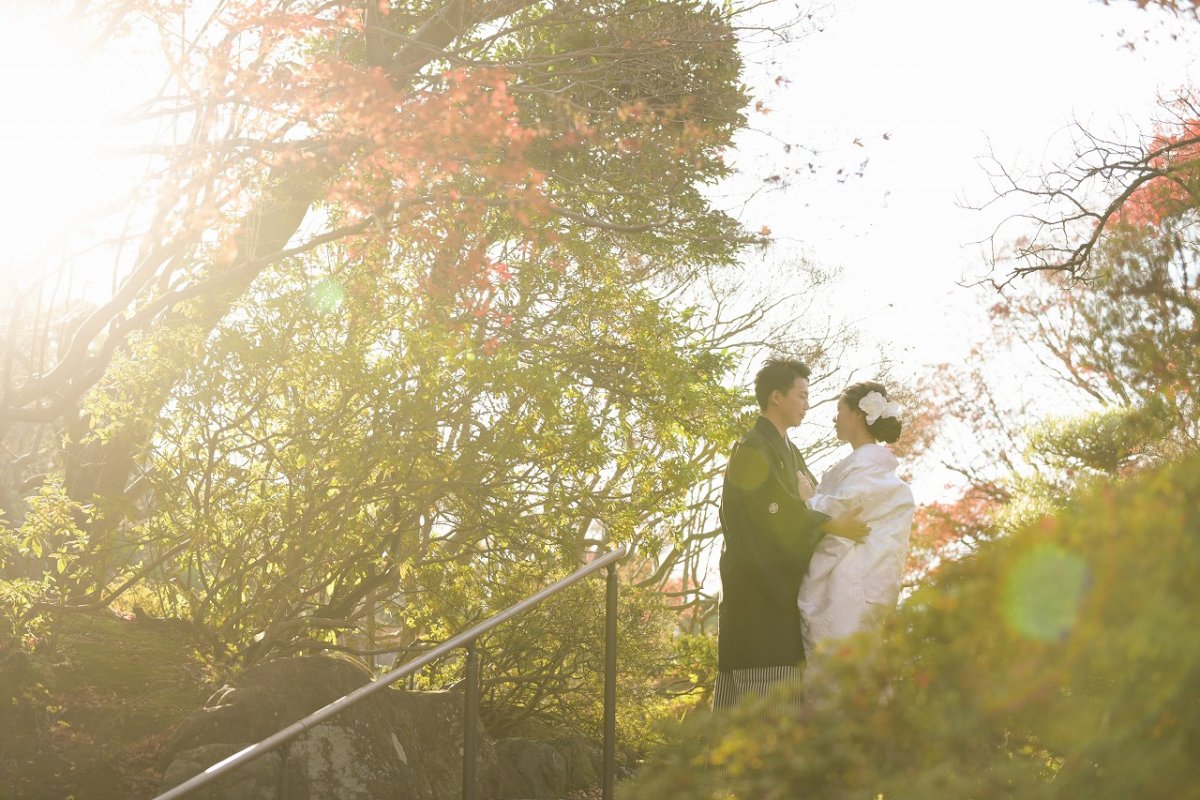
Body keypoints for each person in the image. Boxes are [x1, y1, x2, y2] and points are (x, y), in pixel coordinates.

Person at [713, 358, 868, 710]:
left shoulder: (790, 451)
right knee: (758, 716)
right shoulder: (751, 449)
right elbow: (773, 512)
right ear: (776, 397)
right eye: (801, 395)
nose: (807, 404)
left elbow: (809, 497)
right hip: (758, 600)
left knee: (780, 715)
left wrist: (811, 507)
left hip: (782, 600)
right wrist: (827, 523)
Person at [796, 381, 915, 663]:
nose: (834, 417)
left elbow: (842, 512)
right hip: (861, 592)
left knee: (841, 677)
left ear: (858, 414)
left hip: (849, 593)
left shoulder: (869, 472)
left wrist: (806, 500)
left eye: (839, 409)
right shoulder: (866, 469)